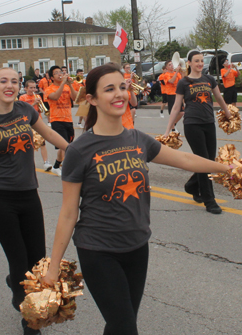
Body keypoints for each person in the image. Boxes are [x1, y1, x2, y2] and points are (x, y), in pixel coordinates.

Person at [40, 63, 231, 335]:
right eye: (109, 89)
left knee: (122, 323)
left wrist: (227, 168)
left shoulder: (138, 139)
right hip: (98, 249)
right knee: (125, 327)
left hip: (137, 245)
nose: (119, 94)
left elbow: (185, 159)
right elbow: (69, 213)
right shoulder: (79, 150)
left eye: (121, 86)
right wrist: (53, 266)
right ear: (91, 99)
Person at [0, 67, 69, 335]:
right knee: (18, 258)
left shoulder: (26, 110)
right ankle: (29, 319)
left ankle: (16, 282)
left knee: (37, 259)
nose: (9, 85)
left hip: (29, 194)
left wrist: (73, 149)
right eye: (3, 81)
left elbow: (48, 134)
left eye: (14, 81)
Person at [164, 51, 231, 214]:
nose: (200, 64)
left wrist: (228, 113)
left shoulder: (209, 79)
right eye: (196, 61)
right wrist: (168, 129)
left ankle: (192, 186)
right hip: (192, 125)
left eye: (201, 61)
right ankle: (209, 200)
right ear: (189, 63)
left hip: (209, 123)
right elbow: (176, 107)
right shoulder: (184, 82)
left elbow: (219, 98)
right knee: (203, 162)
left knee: (209, 160)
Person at [44, 66, 77, 176]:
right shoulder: (49, 89)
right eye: (56, 73)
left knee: (67, 145)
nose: (60, 74)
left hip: (68, 118)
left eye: (60, 72)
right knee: (65, 146)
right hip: (57, 120)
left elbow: (75, 98)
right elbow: (55, 97)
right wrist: (63, 83)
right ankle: (69, 169)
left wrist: (70, 84)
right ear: (52, 77)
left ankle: (56, 166)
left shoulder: (67, 87)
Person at [19, 80, 52, 171]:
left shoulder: (37, 96)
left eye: (34, 87)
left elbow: (40, 110)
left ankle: (46, 162)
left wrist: (40, 105)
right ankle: (30, 164)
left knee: (43, 143)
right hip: (27, 123)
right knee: (29, 145)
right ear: (25, 88)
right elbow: (23, 111)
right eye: (31, 88)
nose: (33, 89)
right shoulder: (22, 97)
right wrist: (33, 103)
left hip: (38, 121)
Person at [160, 60, 183, 131]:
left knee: (182, 112)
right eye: (169, 65)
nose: (172, 65)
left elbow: (182, 81)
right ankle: (173, 129)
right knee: (173, 113)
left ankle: (173, 123)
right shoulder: (166, 75)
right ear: (166, 67)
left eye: (172, 64)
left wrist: (182, 71)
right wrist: (176, 72)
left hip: (177, 94)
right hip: (170, 95)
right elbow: (171, 81)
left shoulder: (177, 74)